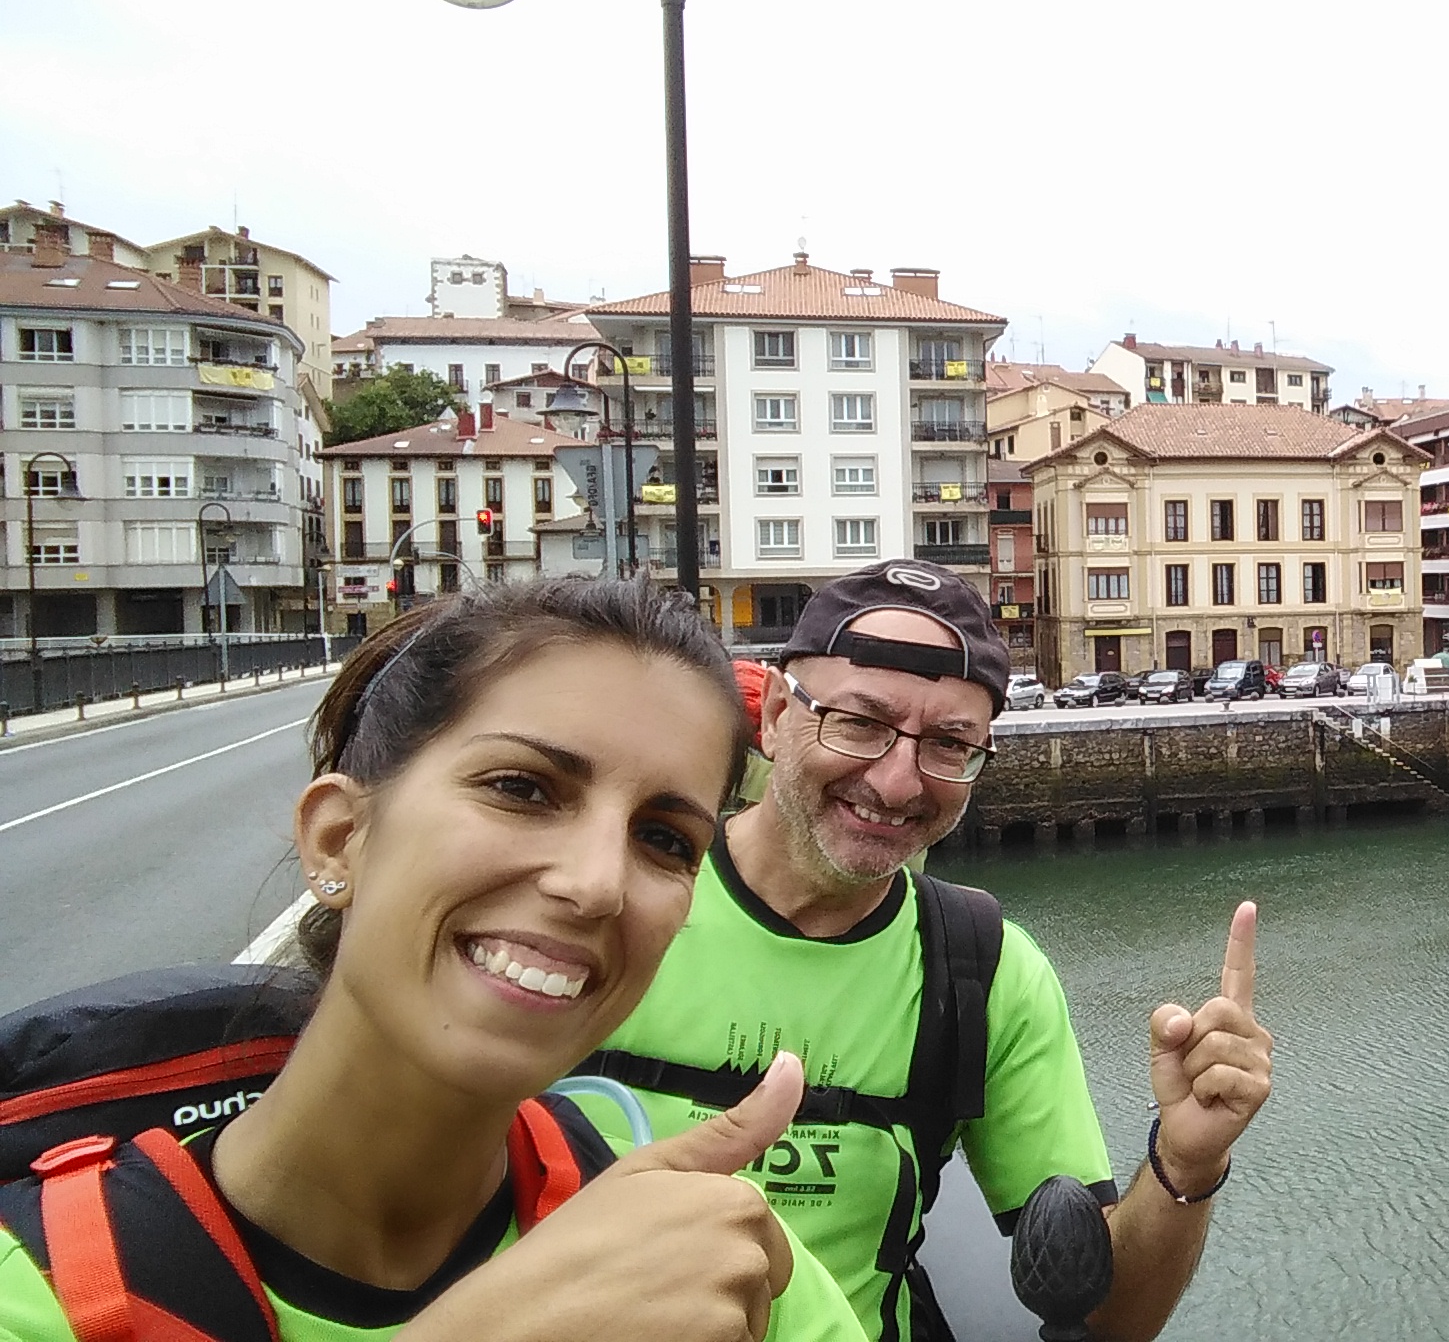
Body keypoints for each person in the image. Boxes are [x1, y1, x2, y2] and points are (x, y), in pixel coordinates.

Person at [0, 577, 865, 1342]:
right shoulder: (41, 1294)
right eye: (522, 789)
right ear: (339, 837)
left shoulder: (707, 1266)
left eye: (665, 840)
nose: (598, 883)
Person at [582, 560, 1271, 1341]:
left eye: (949, 743)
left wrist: (1185, 1162)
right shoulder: (613, 906)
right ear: (773, 715)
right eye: (859, 723)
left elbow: (1106, 1319)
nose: (898, 782)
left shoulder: (985, 971)